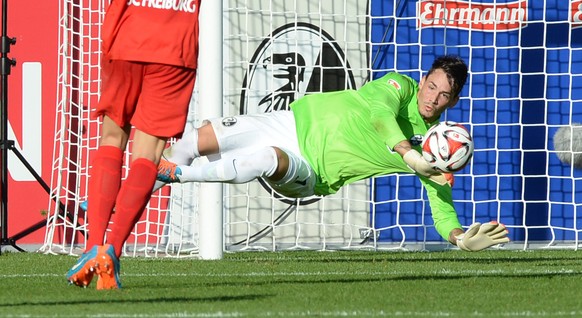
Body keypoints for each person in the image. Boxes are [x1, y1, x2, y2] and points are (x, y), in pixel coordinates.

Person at [156, 55, 509, 252]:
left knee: (265, 159)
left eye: (444, 94)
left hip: (312, 170)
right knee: (193, 141)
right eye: (431, 86)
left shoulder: (437, 148)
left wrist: (460, 238)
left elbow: (441, 207)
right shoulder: (399, 86)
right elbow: (379, 115)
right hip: (291, 122)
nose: (432, 97)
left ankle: (178, 176)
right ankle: (141, 188)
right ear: (423, 80)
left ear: (454, 100)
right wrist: (406, 152)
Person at [66, 0, 201, 290]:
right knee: (149, 154)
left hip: (129, 36)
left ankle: (93, 246)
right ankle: (112, 250)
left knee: (113, 138)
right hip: (175, 46)